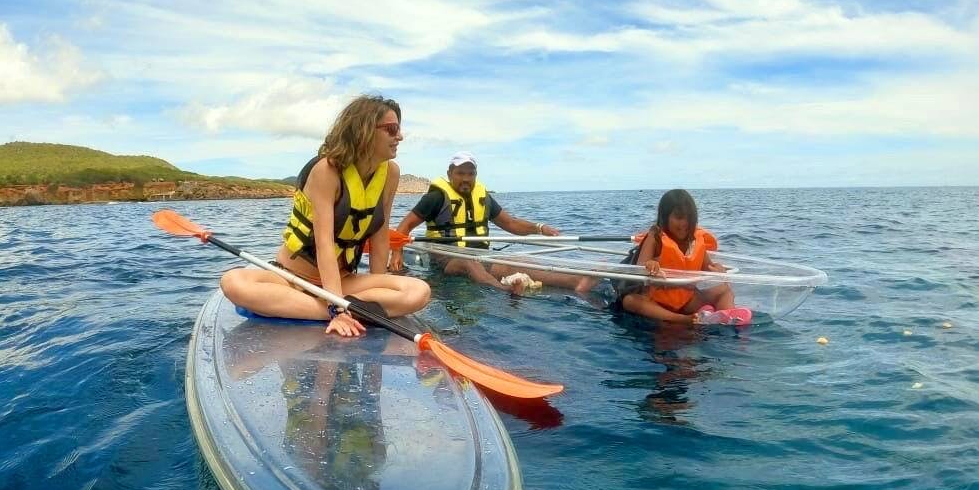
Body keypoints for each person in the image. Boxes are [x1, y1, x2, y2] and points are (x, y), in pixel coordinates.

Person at [221, 94, 431, 337]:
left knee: (418, 292)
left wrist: (380, 285)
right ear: (363, 131)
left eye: (399, 129)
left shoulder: (390, 173)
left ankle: (312, 307)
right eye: (391, 129)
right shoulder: (327, 171)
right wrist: (335, 308)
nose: (400, 137)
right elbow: (323, 243)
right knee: (233, 282)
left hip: (343, 281)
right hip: (293, 279)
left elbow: (380, 237)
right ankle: (341, 310)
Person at [389, 152, 591, 294]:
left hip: (481, 256)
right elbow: (404, 226)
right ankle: (505, 291)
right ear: (450, 174)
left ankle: (577, 282)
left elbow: (510, 224)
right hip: (446, 259)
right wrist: (396, 253)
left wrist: (539, 228)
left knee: (519, 263)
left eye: (471, 174)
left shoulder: (483, 198)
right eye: (461, 173)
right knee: (469, 262)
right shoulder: (435, 198)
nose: (466, 179)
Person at [619, 188, 736, 324]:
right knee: (630, 301)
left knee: (724, 290)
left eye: (689, 218)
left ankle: (726, 319)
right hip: (657, 303)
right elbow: (639, 269)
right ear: (665, 217)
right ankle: (684, 319)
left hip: (687, 300)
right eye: (679, 217)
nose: (684, 223)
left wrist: (719, 269)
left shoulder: (695, 240)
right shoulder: (655, 237)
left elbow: (708, 267)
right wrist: (650, 265)